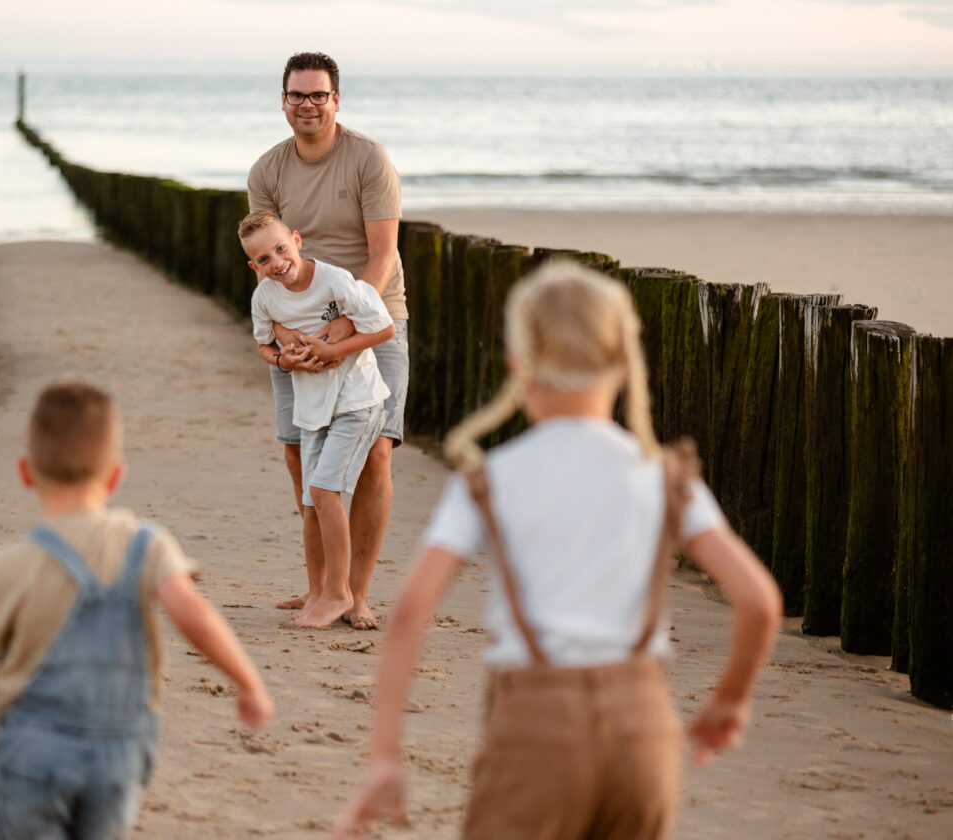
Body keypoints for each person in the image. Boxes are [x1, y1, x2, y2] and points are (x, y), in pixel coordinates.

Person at [330, 262, 783, 839]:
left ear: (519, 366)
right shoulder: (666, 477)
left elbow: (410, 615)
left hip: (535, 729)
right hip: (642, 729)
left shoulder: (492, 478)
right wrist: (730, 701)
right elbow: (760, 602)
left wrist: (385, 758)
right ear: (623, 363)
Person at [0, 381, 273, 840]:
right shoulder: (148, 546)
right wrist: (248, 683)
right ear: (116, 476)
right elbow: (192, 613)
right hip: (119, 750)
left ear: (25, 472)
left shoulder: (10, 564)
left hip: (34, 750)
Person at [248, 51, 408, 630]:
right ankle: (321, 587)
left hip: (374, 312)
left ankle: (355, 594)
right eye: (297, 95)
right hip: (298, 323)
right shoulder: (267, 170)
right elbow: (268, 259)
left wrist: (344, 327)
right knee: (300, 456)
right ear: (283, 101)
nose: (308, 104)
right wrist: (288, 339)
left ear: (336, 100)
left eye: (319, 95)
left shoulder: (368, 159)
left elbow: (383, 253)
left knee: (375, 456)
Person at [240, 210, 396, 629]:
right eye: (264, 259)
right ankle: (318, 593)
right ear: (254, 267)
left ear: (296, 240)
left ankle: (341, 593)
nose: (277, 262)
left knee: (325, 490)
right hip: (312, 410)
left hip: (355, 402)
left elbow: (383, 330)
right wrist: (284, 359)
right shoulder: (265, 298)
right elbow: (264, 348)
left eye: (280, 249)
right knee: (312, 501)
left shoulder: (336, 281)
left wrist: (334, 352)